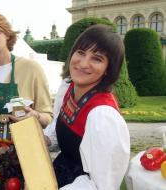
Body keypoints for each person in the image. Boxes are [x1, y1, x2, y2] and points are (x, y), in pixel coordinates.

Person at [44, 24, 130, 189]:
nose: (83, 64)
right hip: (59, 174)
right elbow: (60, 124)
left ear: (108, 69)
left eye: (97, 59)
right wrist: (44, 139)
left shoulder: (103, 116)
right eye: (81, 53)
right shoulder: (68, 87)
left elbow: (101, 185)